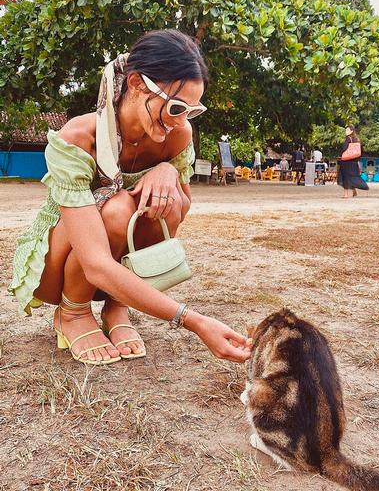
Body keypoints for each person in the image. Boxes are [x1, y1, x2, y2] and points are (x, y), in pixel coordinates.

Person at [9, 30, 252, 365]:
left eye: (191, 112)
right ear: (137, 84)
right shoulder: (79, 138)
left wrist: (167, 169)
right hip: (61, 265)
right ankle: (74, 312)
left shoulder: (177, 134)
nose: (180, 121)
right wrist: (193, 321)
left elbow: (180, 210)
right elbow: (95, 261)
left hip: (112, 267)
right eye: (175, 107)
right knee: (120, 207)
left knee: (169, 204)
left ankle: (115, 306)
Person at [337, 125, 369, 198]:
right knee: (352, 176)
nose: (346, 131)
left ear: (351, 131)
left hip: (346, 161)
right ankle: (354, 190)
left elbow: (344, 148)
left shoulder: (348, 138)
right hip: (354, 161)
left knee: (345, 177)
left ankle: (346, 195)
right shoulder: (356, 139)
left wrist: (341, 155)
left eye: (347, 130)